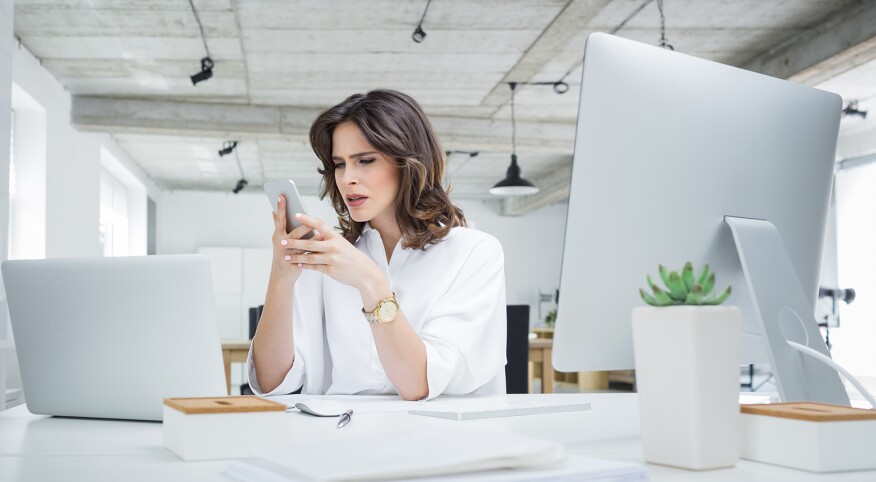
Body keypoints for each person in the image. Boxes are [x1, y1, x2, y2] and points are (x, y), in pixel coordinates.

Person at [247, 89, 507, 400]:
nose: (347, 179)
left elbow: (418, 384)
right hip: (342, 435)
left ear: (408, 163)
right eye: (340, 164)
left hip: (440, 439)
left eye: (365, 161)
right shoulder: (329, 256)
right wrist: (281, 277)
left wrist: (369, 282)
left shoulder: (474, 253)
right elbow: (270, 381)